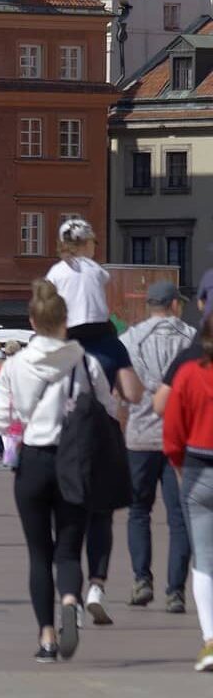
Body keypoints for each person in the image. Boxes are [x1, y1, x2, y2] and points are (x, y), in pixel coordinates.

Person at [0, 279, 115, 662]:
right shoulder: (85, 361)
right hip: (74, 461)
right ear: (66, 322)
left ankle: (46, 637)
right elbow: (107, 409)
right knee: (67, 549)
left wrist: (22, 425)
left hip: (32, 461)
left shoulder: (12, 365)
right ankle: (69, 600)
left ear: (32, 320)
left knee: (38, 553)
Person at [45, 217, 138, 623]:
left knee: (69, 519)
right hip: (104, 432)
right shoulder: (100, 275)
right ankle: (97, 582)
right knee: (102, 513)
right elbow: (133, 393)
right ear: (91, 242)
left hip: (64, 436)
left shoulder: (53, 278)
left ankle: (70, 598)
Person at [123, 280, 195, 613]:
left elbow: (121, 392)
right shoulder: (192, 339)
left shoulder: (130, 339)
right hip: (181, 438)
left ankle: (141, 579)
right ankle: (175, 590)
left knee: (139, 511)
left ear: (149, 305)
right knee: (179, 516)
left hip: (140, 436)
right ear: (175, 305)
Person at [161, 310, 213, 670]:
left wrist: (179, 467)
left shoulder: (189, 373)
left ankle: (211, 640)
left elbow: (172, 432)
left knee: (205, 562)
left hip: (196, 469)